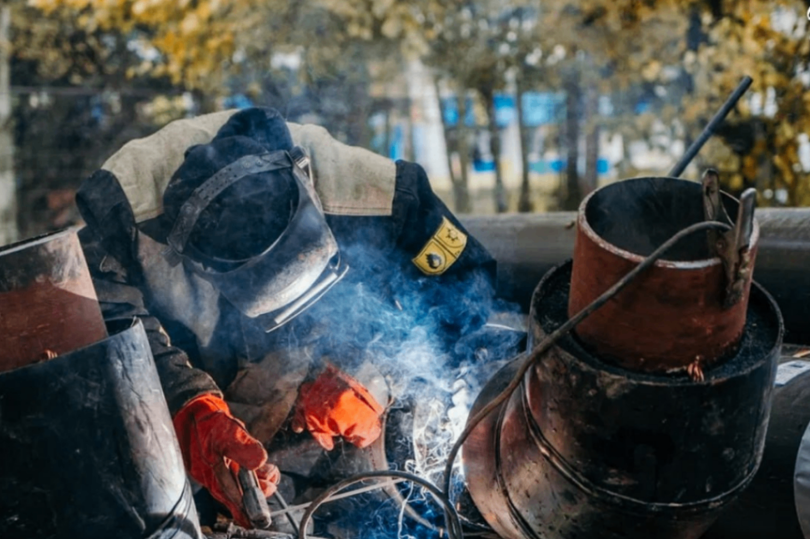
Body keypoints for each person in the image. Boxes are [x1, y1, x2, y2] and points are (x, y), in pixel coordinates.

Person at [76, 107, 497, 528]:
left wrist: (381, 372)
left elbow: (470, 294)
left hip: (346, 399)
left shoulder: (379, 194)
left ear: (306, 183)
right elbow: (107, 328)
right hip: (211, 382)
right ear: (197, 263)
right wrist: (189, 406)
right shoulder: (123, 211)